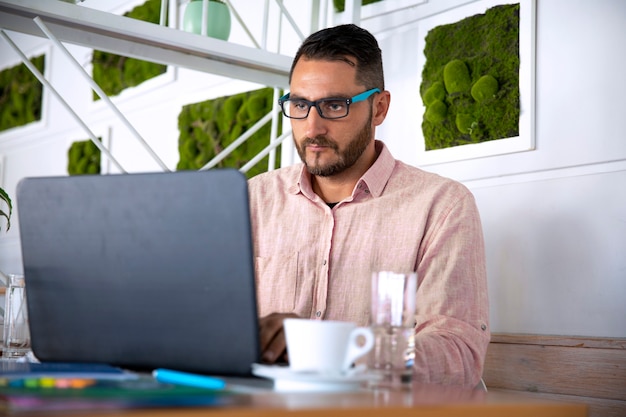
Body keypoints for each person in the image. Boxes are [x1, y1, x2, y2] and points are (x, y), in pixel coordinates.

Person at [247, 24, 489, 387]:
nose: (312, 127)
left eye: (333, 105)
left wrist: (322, 348)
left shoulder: (442, 206)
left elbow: (456, 356)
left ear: (379, 107)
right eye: (299, 104)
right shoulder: (252, 200)